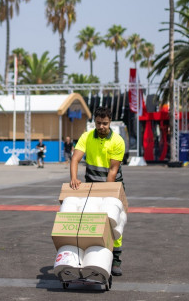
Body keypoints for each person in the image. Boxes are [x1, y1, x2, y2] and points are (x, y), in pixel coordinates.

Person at [69, 106, 126, 276]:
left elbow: (113, 171)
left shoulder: (117, 141)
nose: (102, 127)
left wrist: (106, 192)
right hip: (91, 185)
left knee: (114, 222)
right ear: (95, 122)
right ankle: (94, 256)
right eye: (99, 123)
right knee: (92, 221)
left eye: (105, 124)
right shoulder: (86, 137)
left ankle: (115, 259)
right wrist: (74, 178)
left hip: (113, 186)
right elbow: (75, 159)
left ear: (110, 123)